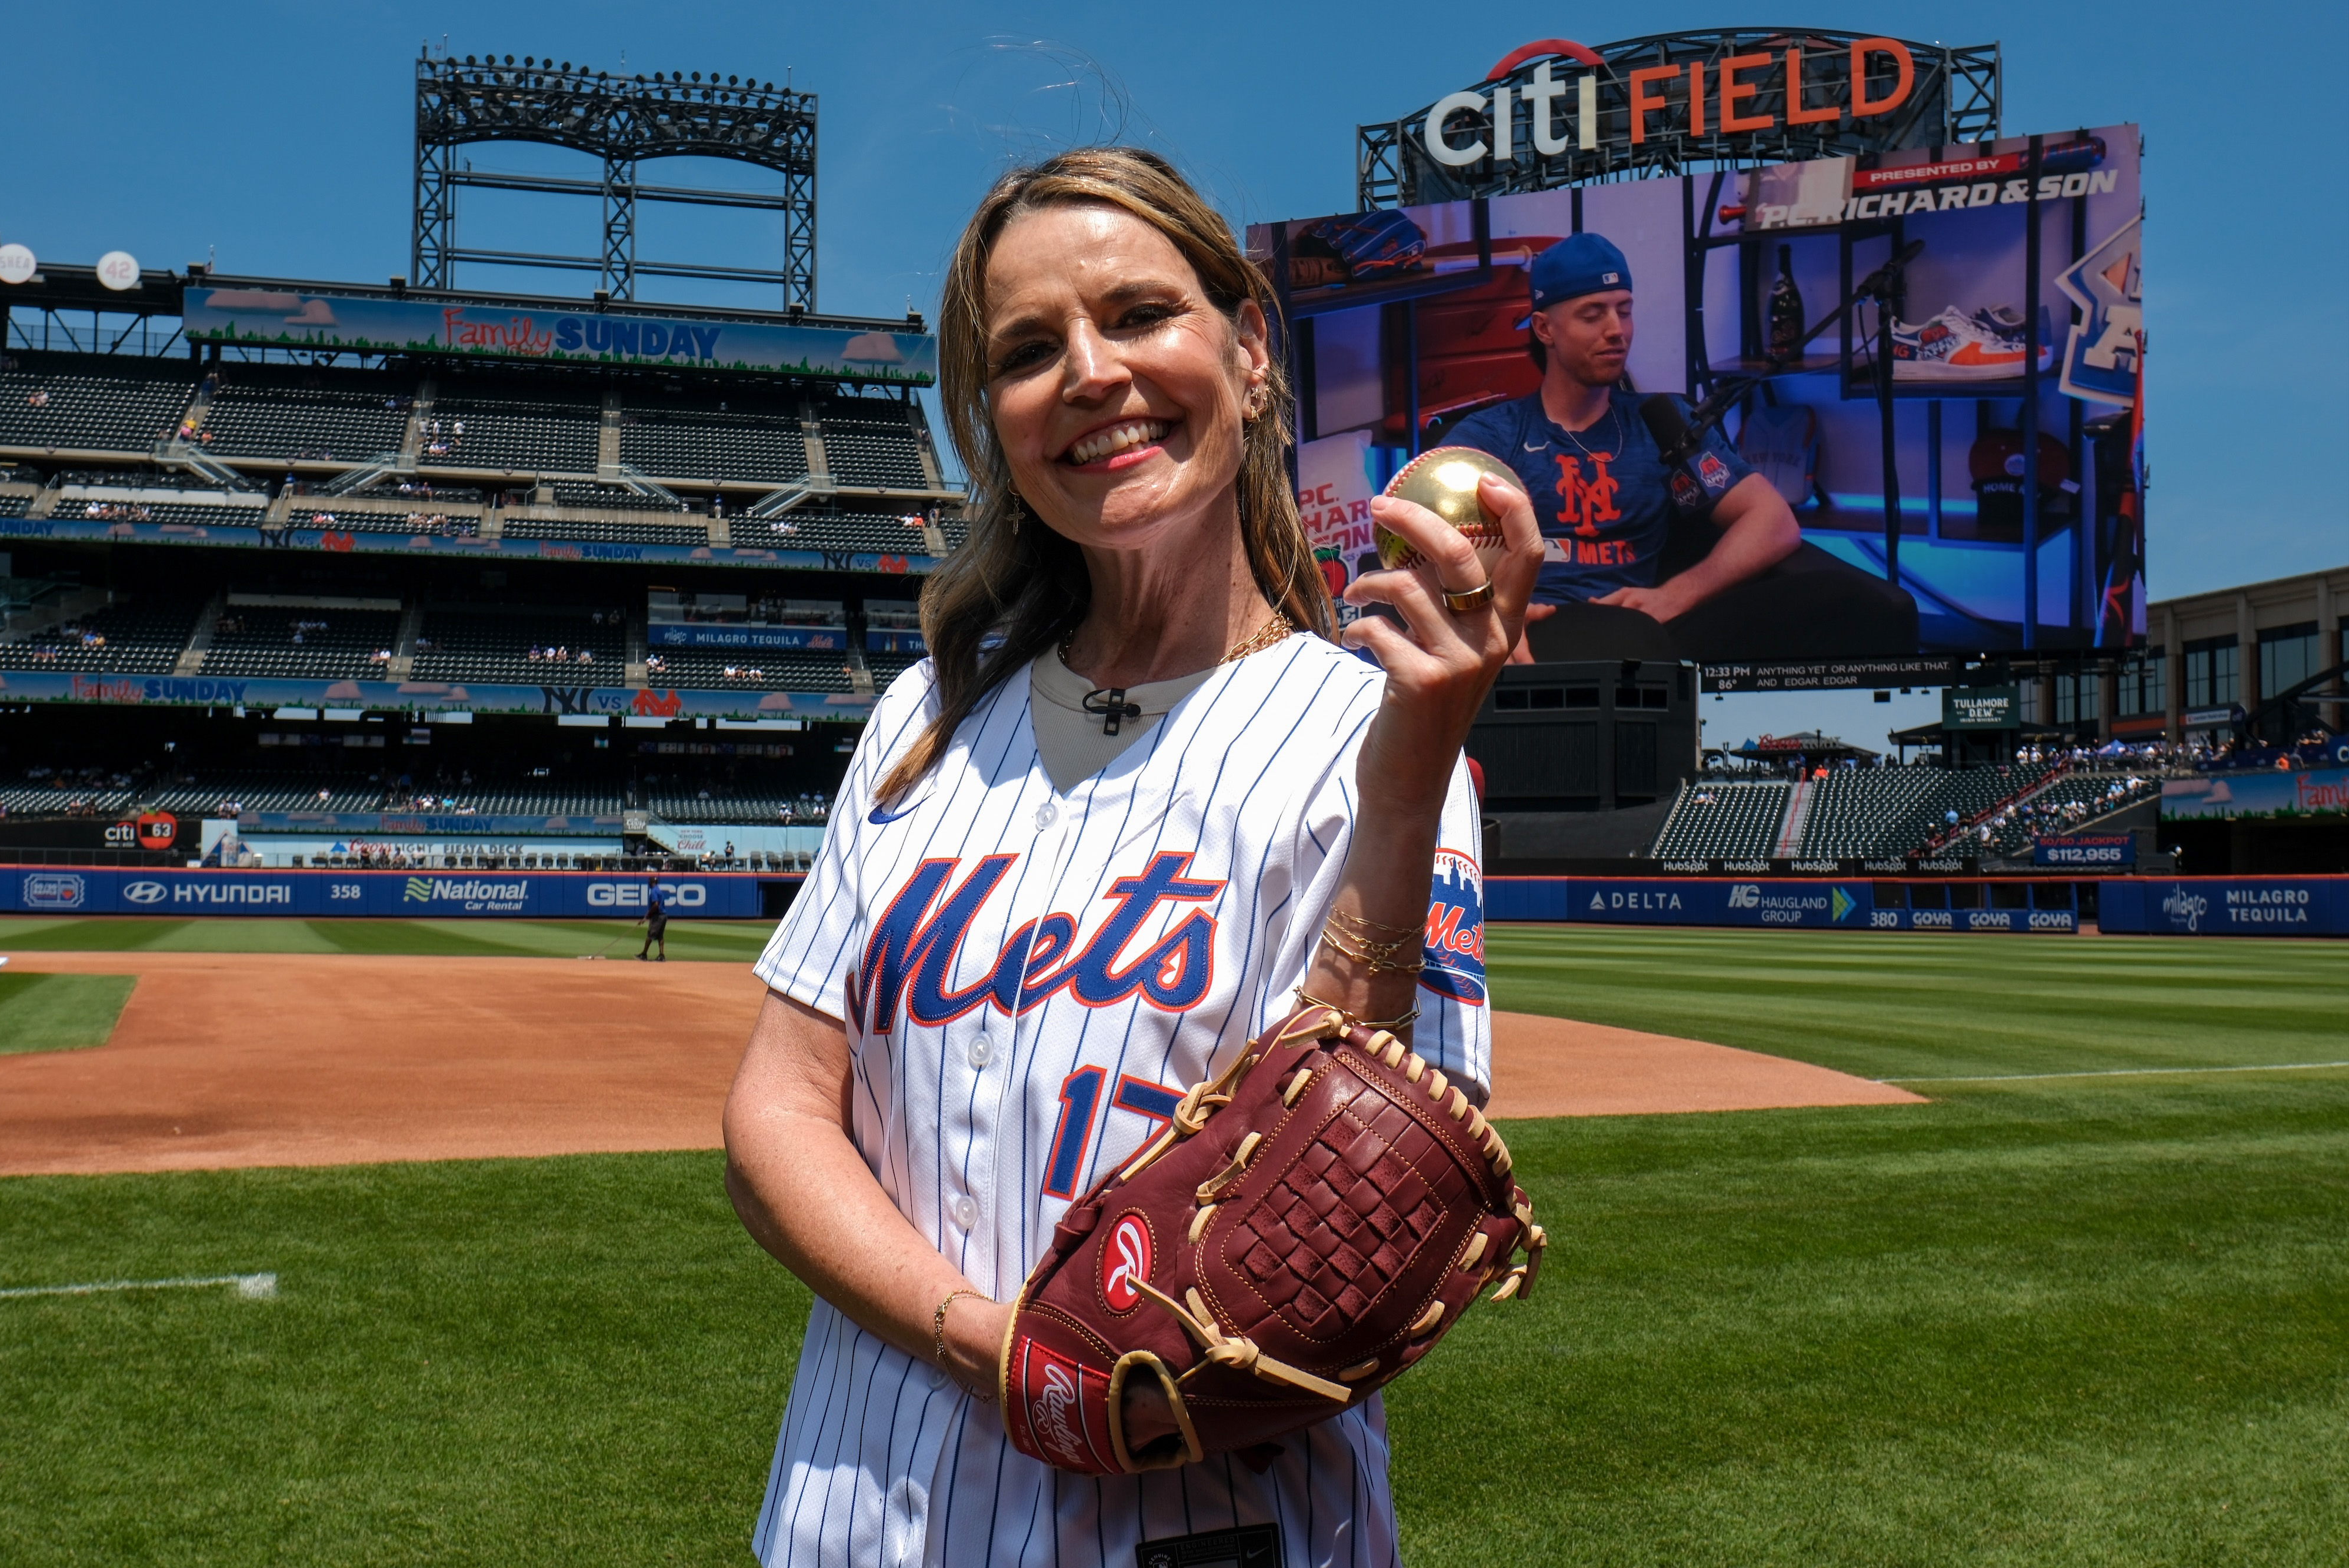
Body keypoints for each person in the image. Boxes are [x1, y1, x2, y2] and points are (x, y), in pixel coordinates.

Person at [720, 148, 1537, 1568]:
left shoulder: (1377, 727)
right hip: (852, 1504)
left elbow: (1360, 1190)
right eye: (1029, 350)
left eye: (1139, 314)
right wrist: (988, 1345)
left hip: (1194, 1524)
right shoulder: (927, 715)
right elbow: (775, 1116)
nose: (1090, 373)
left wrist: (1405, 784)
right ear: (993, 425)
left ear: (1250, 346)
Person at [1447, 232, 1916, 663]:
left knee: (1856, 604)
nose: (1617, 330)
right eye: (1593, 315)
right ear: (1545, 330)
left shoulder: (1662, 422)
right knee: (1625, 643)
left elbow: (1773, 522)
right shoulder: (1494, 433)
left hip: (1653, 621)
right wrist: (1490, 610)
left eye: (1624, 310)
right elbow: (1421, 535)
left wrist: (1677, 594)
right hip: (1546, 629)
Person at [635, 874, 669, 960]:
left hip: (658, 916)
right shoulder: (659, 890)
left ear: (650, 883)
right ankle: (661, 955)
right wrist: (646, 917)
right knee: (660, 936)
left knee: (650, 935)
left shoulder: (654, 891)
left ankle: (644, 954)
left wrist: (647, 915)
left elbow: (656, 905)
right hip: (664, 915)